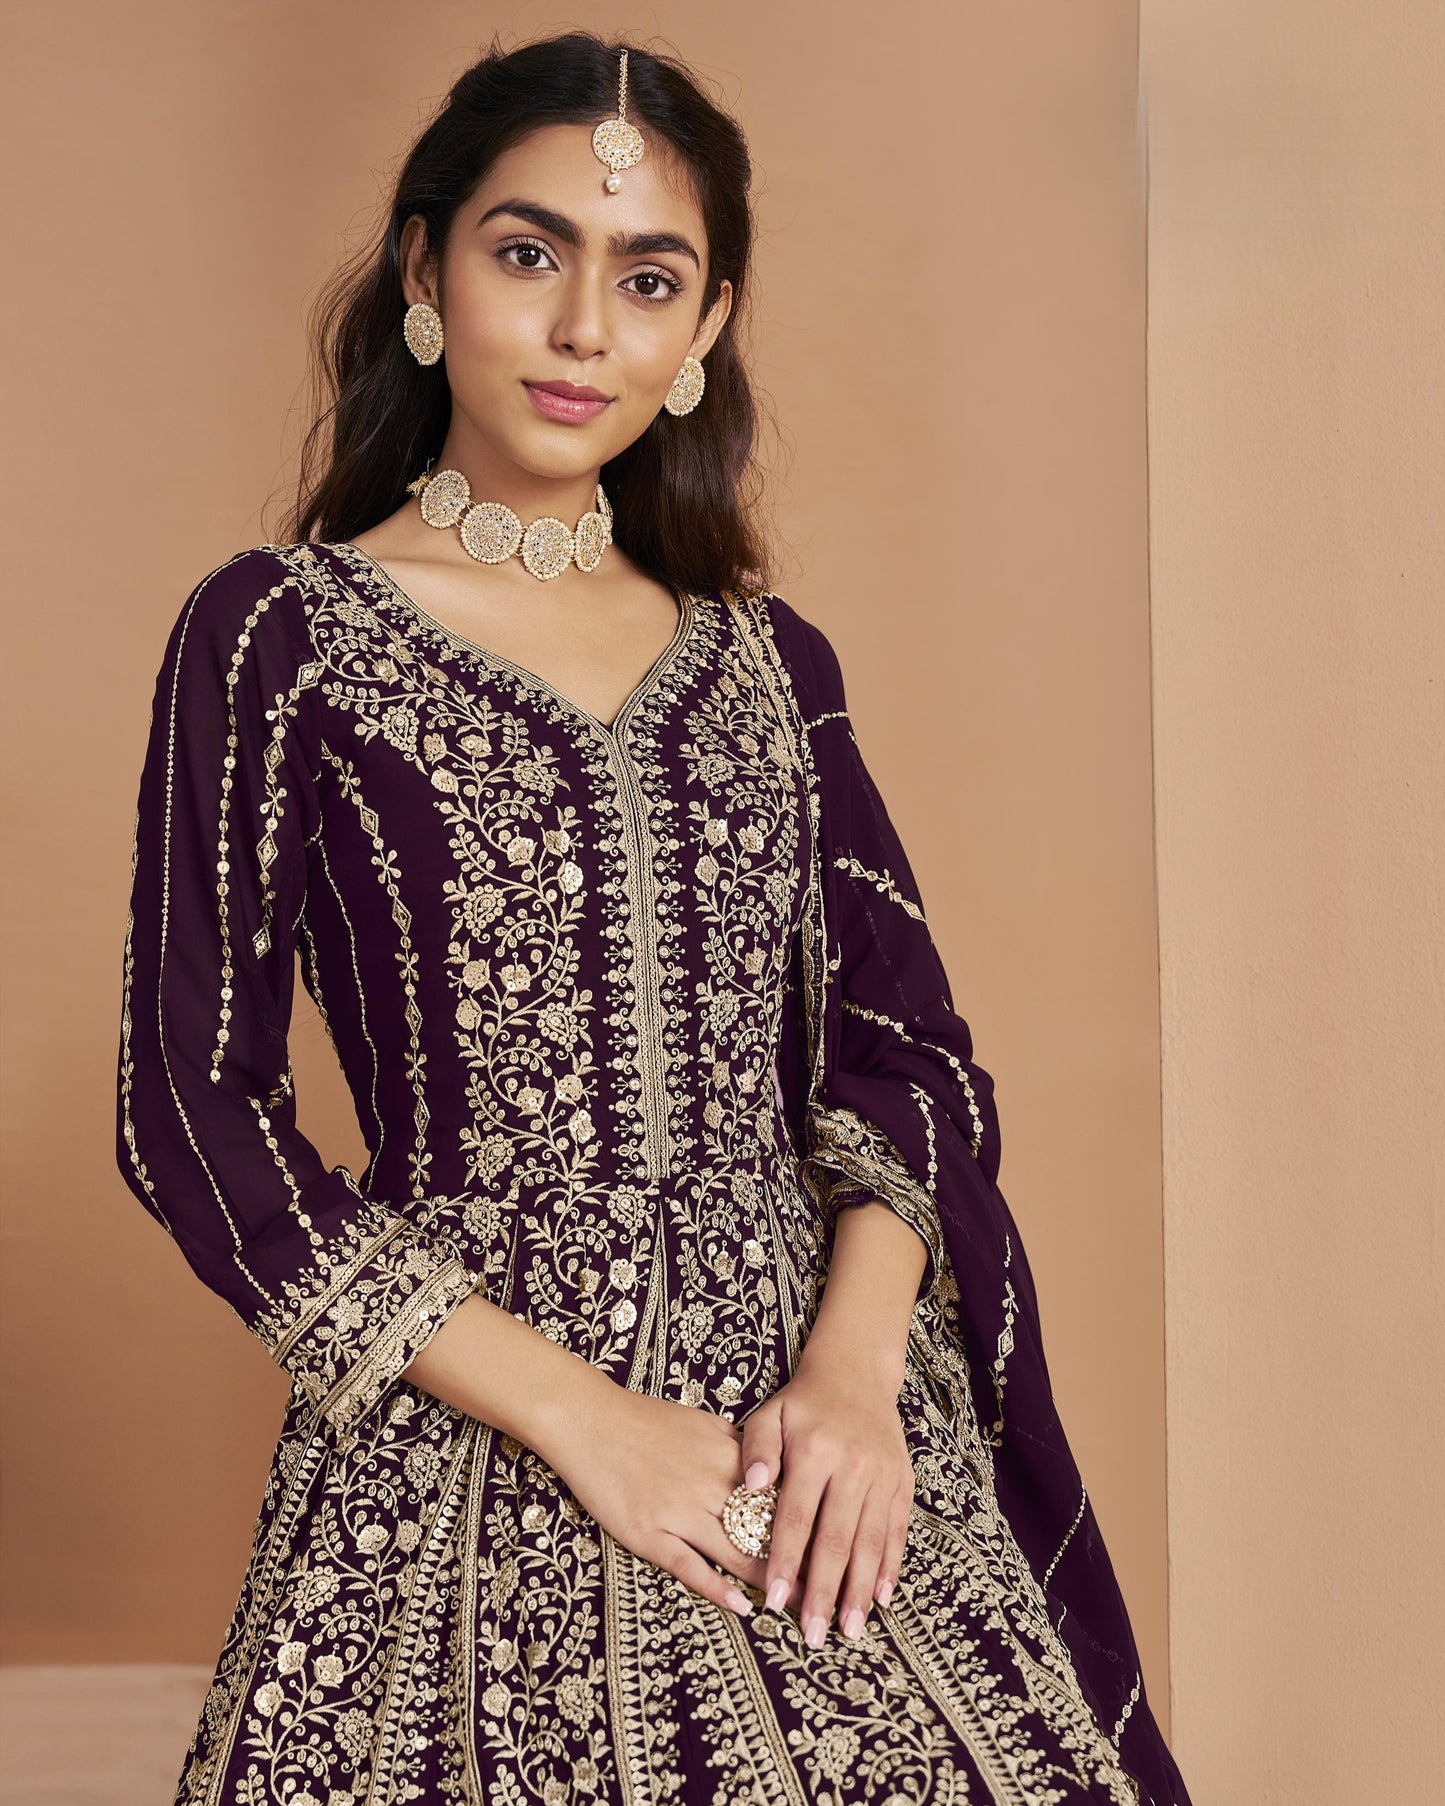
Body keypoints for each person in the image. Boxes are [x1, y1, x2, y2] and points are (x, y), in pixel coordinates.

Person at [115, 30, 1191, 1806]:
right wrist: (588, 1421)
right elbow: (191, 1114)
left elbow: (905, 1053)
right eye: (527, 252)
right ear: (423, 274)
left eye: (649, 278)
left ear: (703, 334)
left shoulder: (768, 667)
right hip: (468, 1410)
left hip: (808, 1422)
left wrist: (851, 1377)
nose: (582, 327)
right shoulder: (277, 636)